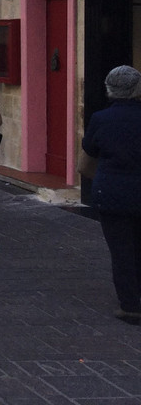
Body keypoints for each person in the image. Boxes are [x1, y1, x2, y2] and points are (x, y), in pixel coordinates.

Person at [81, 65, 141, 324]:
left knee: (121, 250)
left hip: (112, 191)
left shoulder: (100, 119)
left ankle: (130, 304)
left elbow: (87, 158)